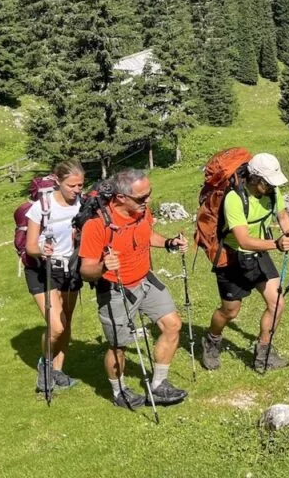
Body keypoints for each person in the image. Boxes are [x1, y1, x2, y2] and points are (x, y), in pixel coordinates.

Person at [78, 169, 189, 409]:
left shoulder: (141, 211)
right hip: (115, 289)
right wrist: (103, 265)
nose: (147, 201)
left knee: (172, 325)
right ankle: (119, 391)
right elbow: (85, 270)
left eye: (149, 194)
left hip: (145, 280)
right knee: (118, 345)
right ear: (120, 198)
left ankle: (159, 385)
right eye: (141, 198)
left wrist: (169, 242)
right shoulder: (97, 225)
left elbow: (147, 234)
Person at [200, 153, 289, 373]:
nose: (271, 188)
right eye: (267, 184)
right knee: (230, 312)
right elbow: (243, 240)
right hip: (232, 257)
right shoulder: (234, 198)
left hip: (259, 253)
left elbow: (283, 217)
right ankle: (212, 341)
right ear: (254, 179)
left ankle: (264, 353)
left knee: (276, 303)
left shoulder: (272, 191)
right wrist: (276, 245)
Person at [24, 159, 85, 394]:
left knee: (66, 321)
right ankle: (45, 363)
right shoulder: (42, 207)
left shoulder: (82, 204)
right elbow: (30, 246)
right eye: (72, 185)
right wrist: (42, 250)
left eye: (80, 185)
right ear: (58, 182)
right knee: (57, 326)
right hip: (42, 269)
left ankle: (58, 372)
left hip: (70, 268)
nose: (77, 190)